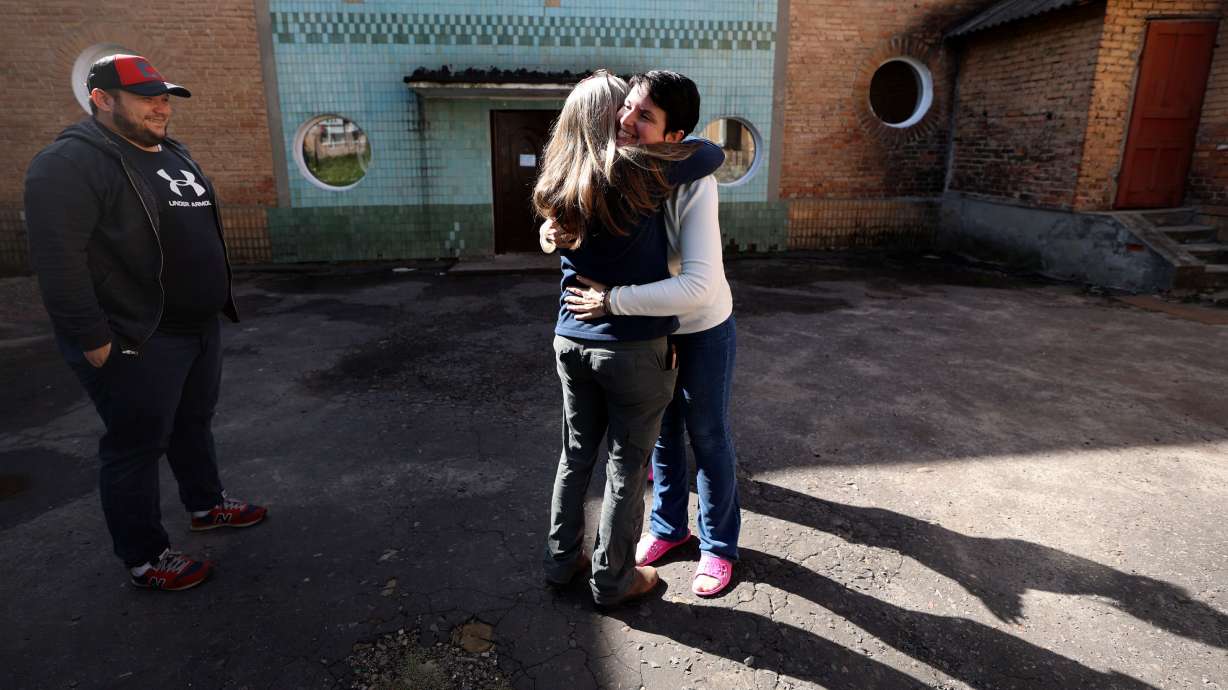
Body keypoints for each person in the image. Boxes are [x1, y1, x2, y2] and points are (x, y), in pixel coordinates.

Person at [24, 54, 266, 592]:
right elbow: (57, 260)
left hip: (198, 327)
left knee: (192, 423)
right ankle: (145, 555)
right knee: (136, 446)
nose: (161, 106)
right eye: (146, 97)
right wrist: (93, 340)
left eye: (164, 96)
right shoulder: (69, 163)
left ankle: (205, 506)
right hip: (138, 334)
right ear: (102, 100)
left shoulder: (171, 152)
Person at [537, 70, 724, 607]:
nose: (627, 118)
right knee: (625, 465)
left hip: (570, 338)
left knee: (575, 456)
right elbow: (710, 154)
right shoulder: (643, 170)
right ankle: (613, 579)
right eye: (624, 108)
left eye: (638, 112)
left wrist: (549, 235)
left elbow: (552, 234)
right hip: (631, 347)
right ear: (605, 118)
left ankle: (559, 562)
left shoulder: (560, 176)